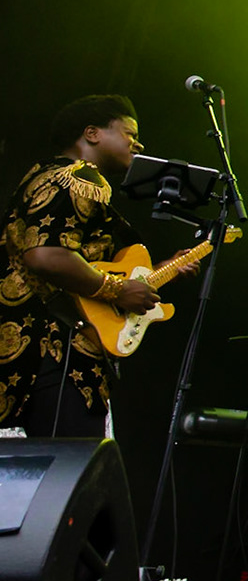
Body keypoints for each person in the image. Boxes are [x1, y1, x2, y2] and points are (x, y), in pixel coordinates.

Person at [1, 95, 200, 437]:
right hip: (54, 352)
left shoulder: (43, 174)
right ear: (92, 133)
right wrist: (118, 290)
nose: (137, 143)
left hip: (29, 348)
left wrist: (161, 270)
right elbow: (46, 254)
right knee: (70, 475)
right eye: (128, 133)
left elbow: (77, 259)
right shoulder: (80, 177)